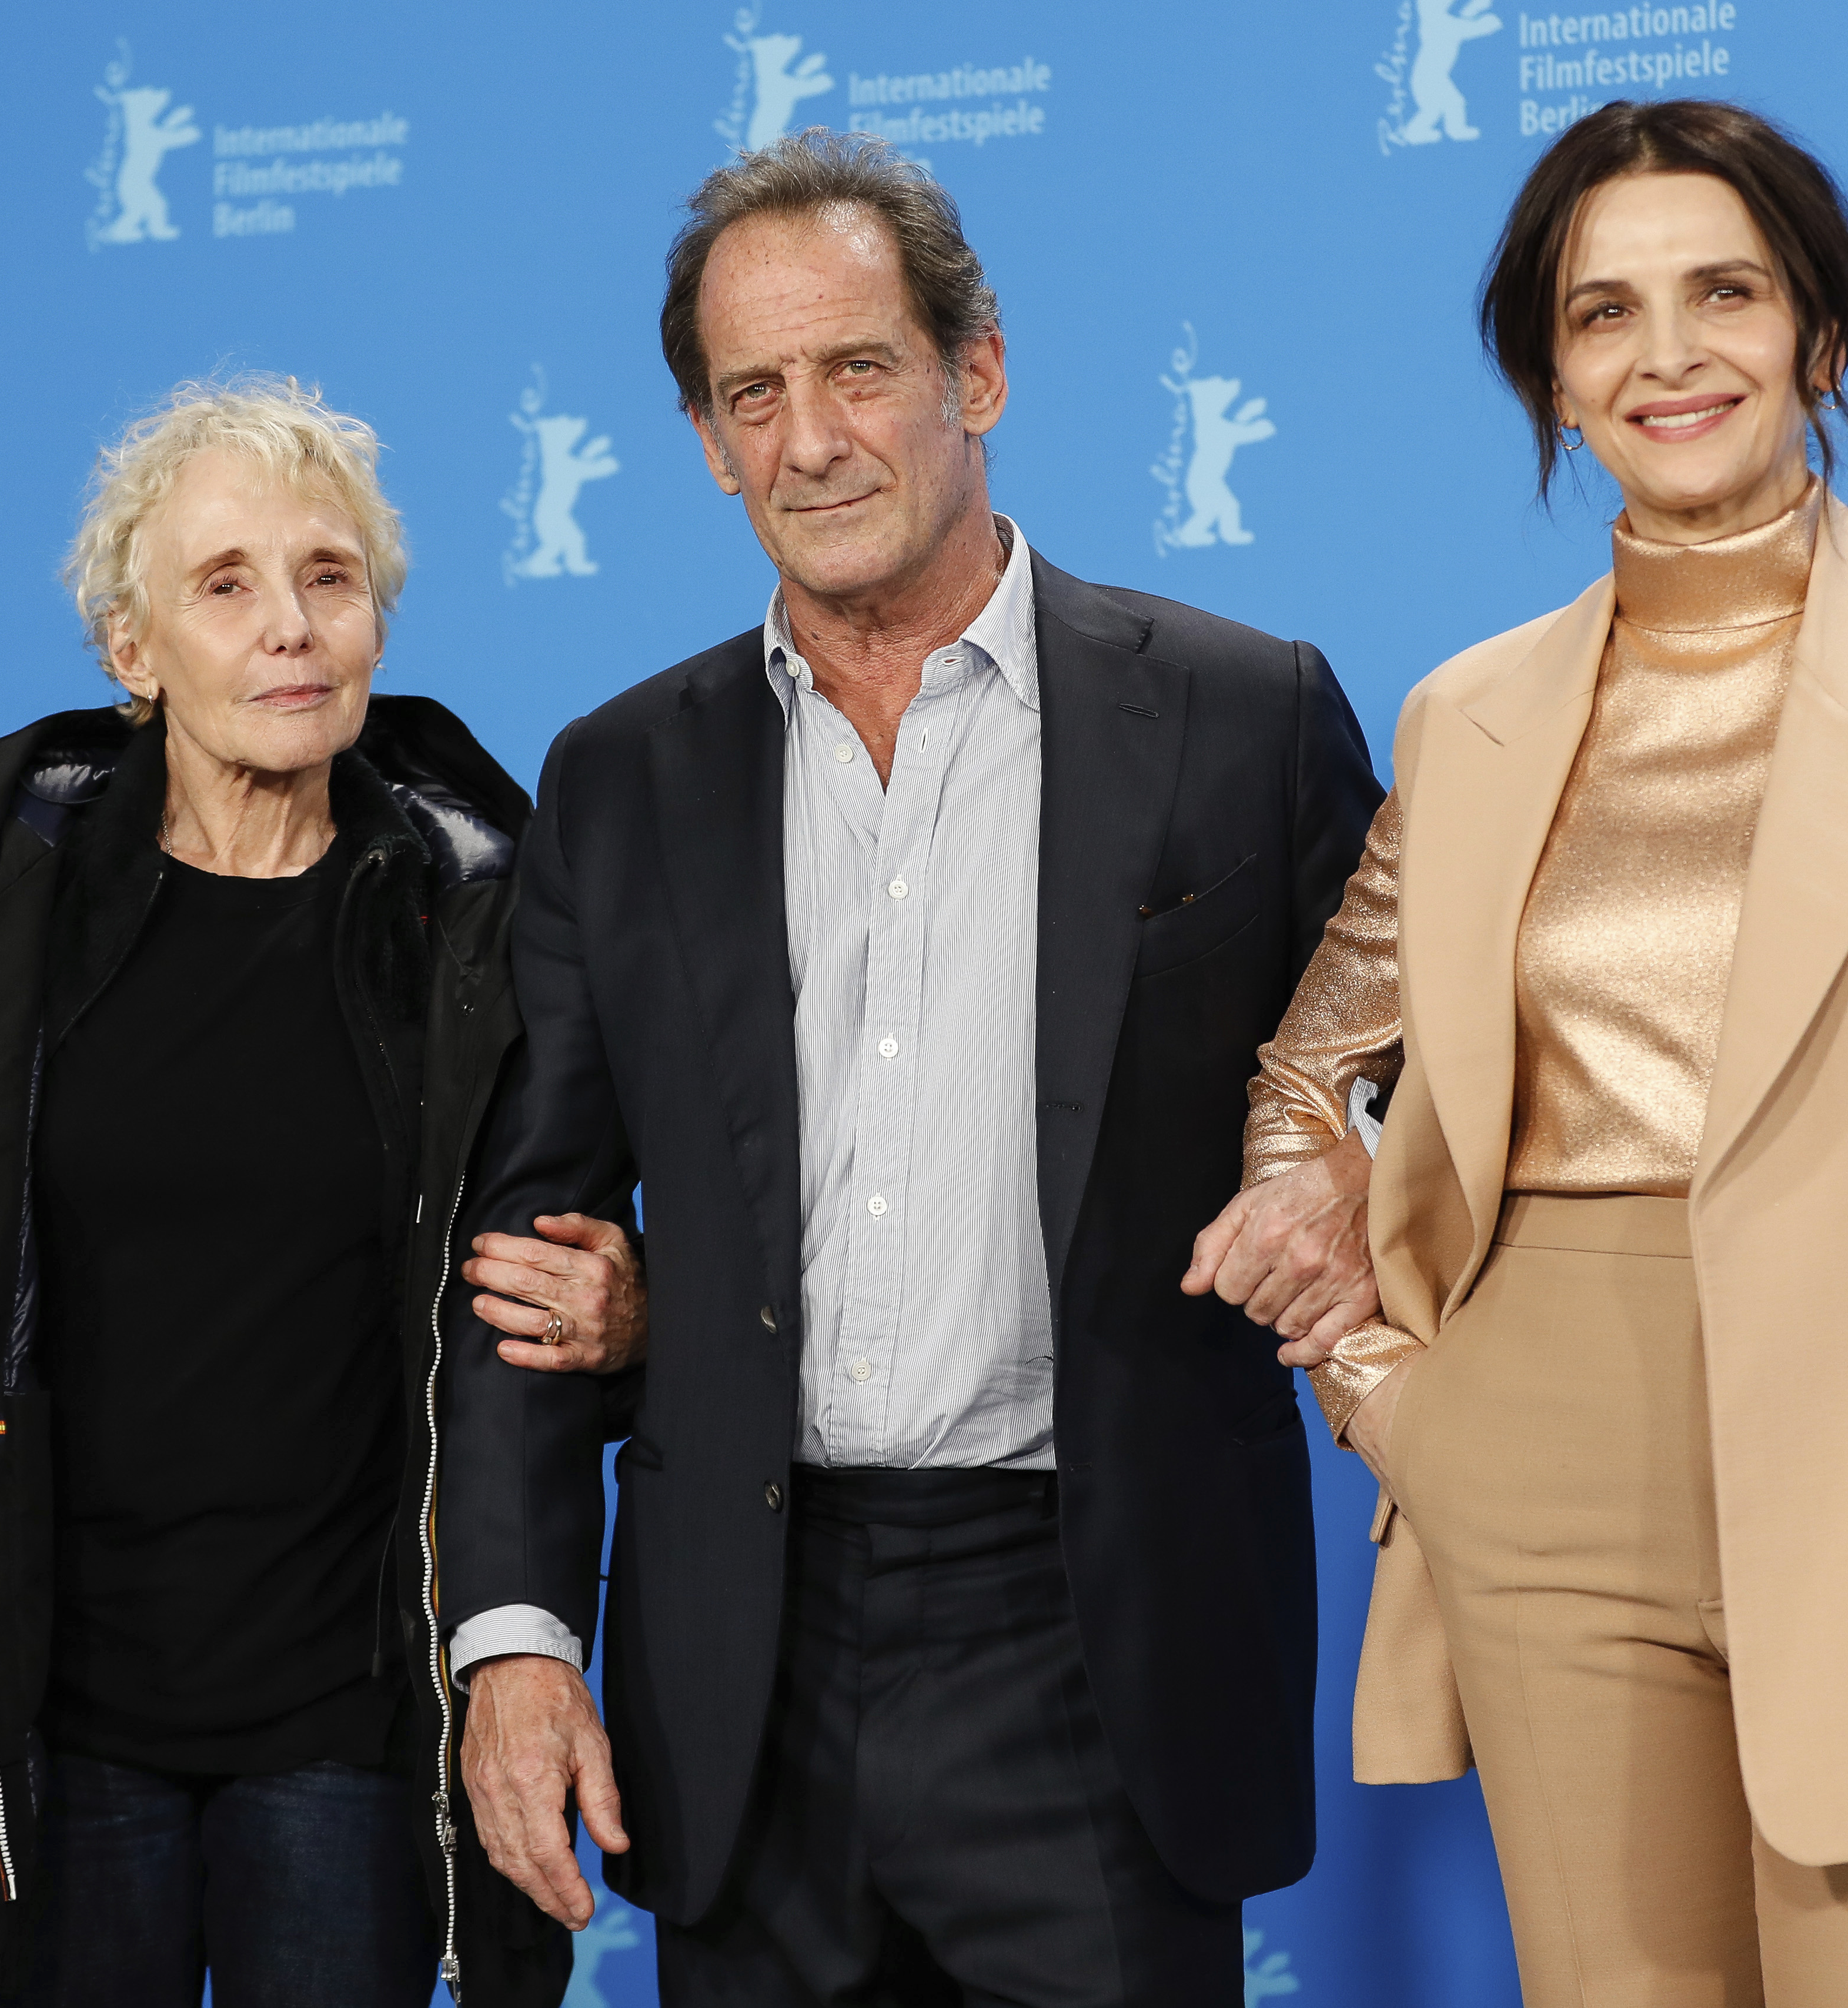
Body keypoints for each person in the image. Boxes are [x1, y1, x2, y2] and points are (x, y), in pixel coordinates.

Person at [1187, 100, 1848, 2004]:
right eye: (1602, 315)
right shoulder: (1474, 713)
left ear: (1819, 340)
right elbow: (1299, 1086)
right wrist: (1391, 1396)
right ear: (1552, 377)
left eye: (1722, 292)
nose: (1666, 355)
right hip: (1539, 1469)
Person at [436, 131, 1381, 2006]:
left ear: (979, 373)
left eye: (858, 369)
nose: (809, 441)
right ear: (706, 438)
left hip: (1091, 1636)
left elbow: (1407, 1089)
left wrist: (1349, 1172)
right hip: (735, 1655)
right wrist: (520, 1639)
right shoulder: (617, 780)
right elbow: (530, 1261)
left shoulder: (1240, 715)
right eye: (752, 393)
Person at [0, 377, 598, 2006]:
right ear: (133, 655)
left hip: (348, 1725)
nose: (292, 628)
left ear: (377, 625)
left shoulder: (481, 924)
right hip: (61, 1728)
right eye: (227, 585)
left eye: (329, 578)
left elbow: (559, 1290)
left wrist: (626, 1314)